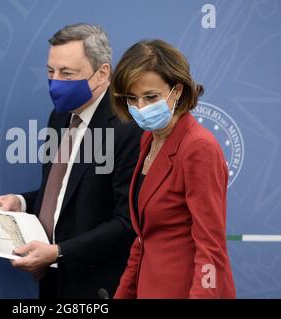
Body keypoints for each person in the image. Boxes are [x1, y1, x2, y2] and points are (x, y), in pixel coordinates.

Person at [0, 24, 142, 298]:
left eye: (67, 74)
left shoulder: (128, 127)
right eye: (50, 71)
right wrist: (21, 202)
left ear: (102, 73)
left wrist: (58, 252)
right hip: (52, 283)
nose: (55, 82)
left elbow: (126, 222)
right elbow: (62, 190)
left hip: (99, 287)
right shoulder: (60, 116)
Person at [110, 39, 236, 299]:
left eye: (151, 97)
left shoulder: (198, 148)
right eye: (132, 99)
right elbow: (144, 238)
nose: (140, 108)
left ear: (177, 91)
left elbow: (211, 250)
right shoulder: (149, 138)